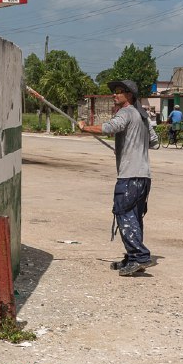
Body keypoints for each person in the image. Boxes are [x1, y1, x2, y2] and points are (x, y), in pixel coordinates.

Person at [77, 80, 159, 276]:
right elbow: (154, 142)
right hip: (143, 177)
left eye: (119, 92)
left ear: (129, 95)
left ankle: (140, 256)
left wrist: (85, 127)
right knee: (135, 217)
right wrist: (129, 144)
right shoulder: (143, 116)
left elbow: (109, 128)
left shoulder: (125, 112)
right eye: (114, 92)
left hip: (130, 176)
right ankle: (132, 259)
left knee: (124, 214)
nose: (115, 95)